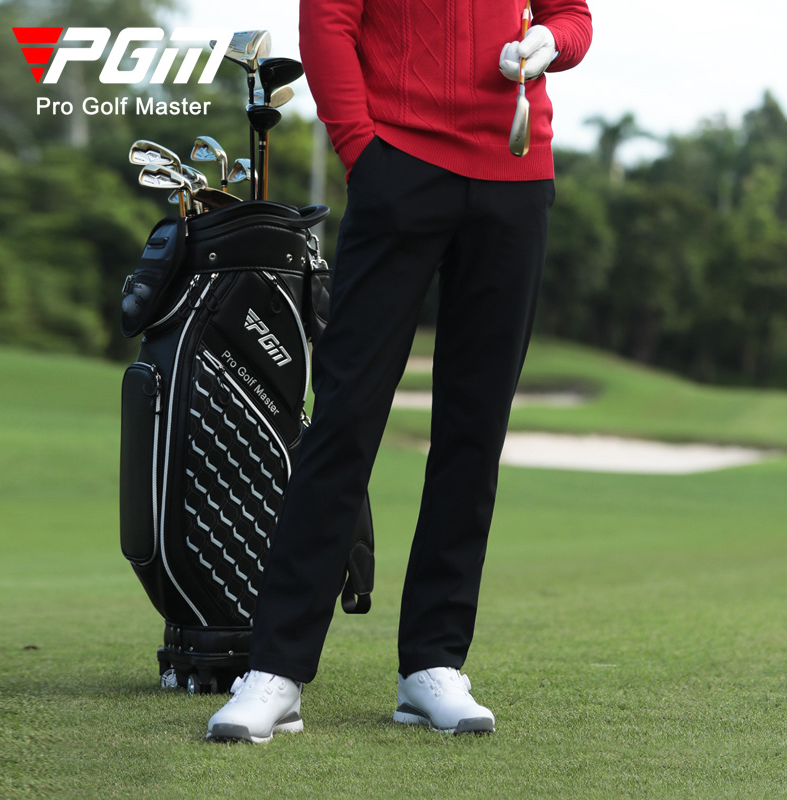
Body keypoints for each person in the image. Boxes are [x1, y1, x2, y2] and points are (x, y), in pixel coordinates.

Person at [206, 0, 592, 743]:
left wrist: (551, 39)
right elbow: (329, 21)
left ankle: (432, 665)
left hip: (515, 177)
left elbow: (572, 16)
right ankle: (276, 670)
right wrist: (362, 151)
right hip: (399, 168)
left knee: (474, 430)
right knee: (346, 416)